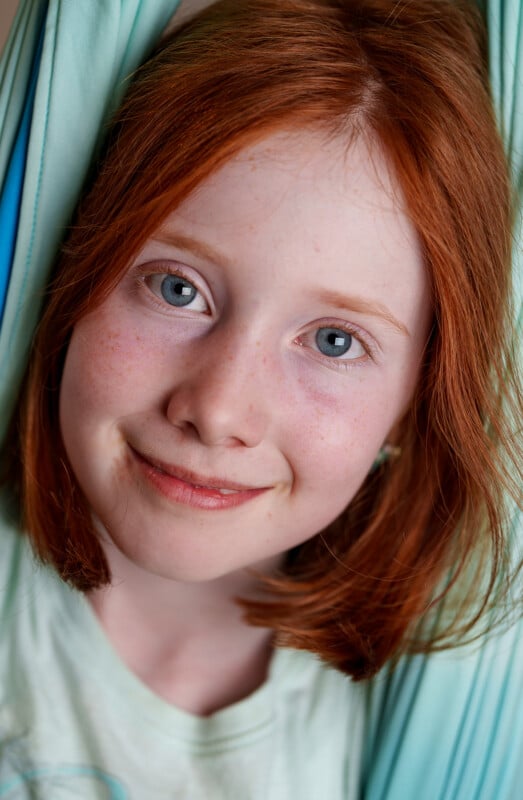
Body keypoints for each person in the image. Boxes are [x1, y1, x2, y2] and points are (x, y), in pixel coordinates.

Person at [0, 0, 522, 797]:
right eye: (177, 288)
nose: (217, 410)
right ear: (71, 265)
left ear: (414, 402)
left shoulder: (365, 747)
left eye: (333, 341)